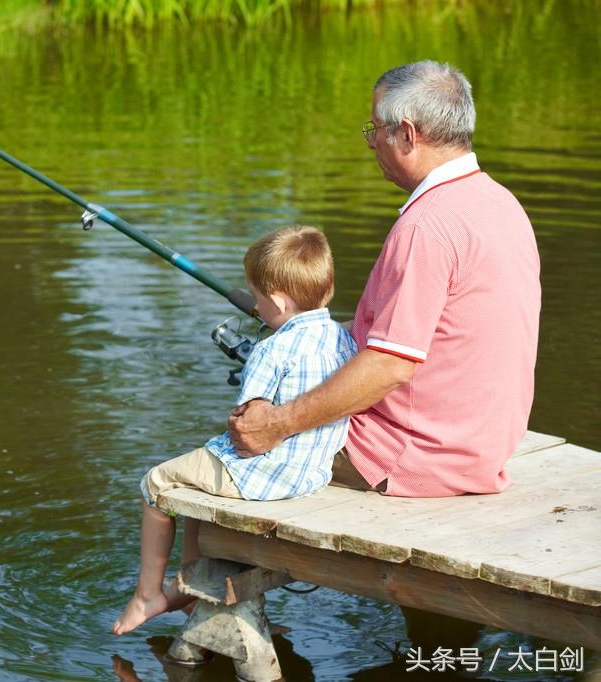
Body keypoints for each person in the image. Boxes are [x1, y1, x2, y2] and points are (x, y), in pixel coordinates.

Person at [228, 60, 541, 498]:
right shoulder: (501, 203)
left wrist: (277, 423)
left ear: (408, 135)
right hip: (482, 449)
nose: (372, 142)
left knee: (228, 451)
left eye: (376, 128)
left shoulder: (426, 226)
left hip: (411, 456)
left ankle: (200, 567)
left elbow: (390, 365)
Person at [112, 225, 358, 636]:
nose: (257, 308)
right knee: (191, 486)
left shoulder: (271, 349)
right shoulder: (345, 340)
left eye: (259, 299)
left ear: (277, 299)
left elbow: (248, 430)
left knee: (156, 486)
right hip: (309, 476)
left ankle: (148, 594)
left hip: (263, 476)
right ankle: (189, 586)